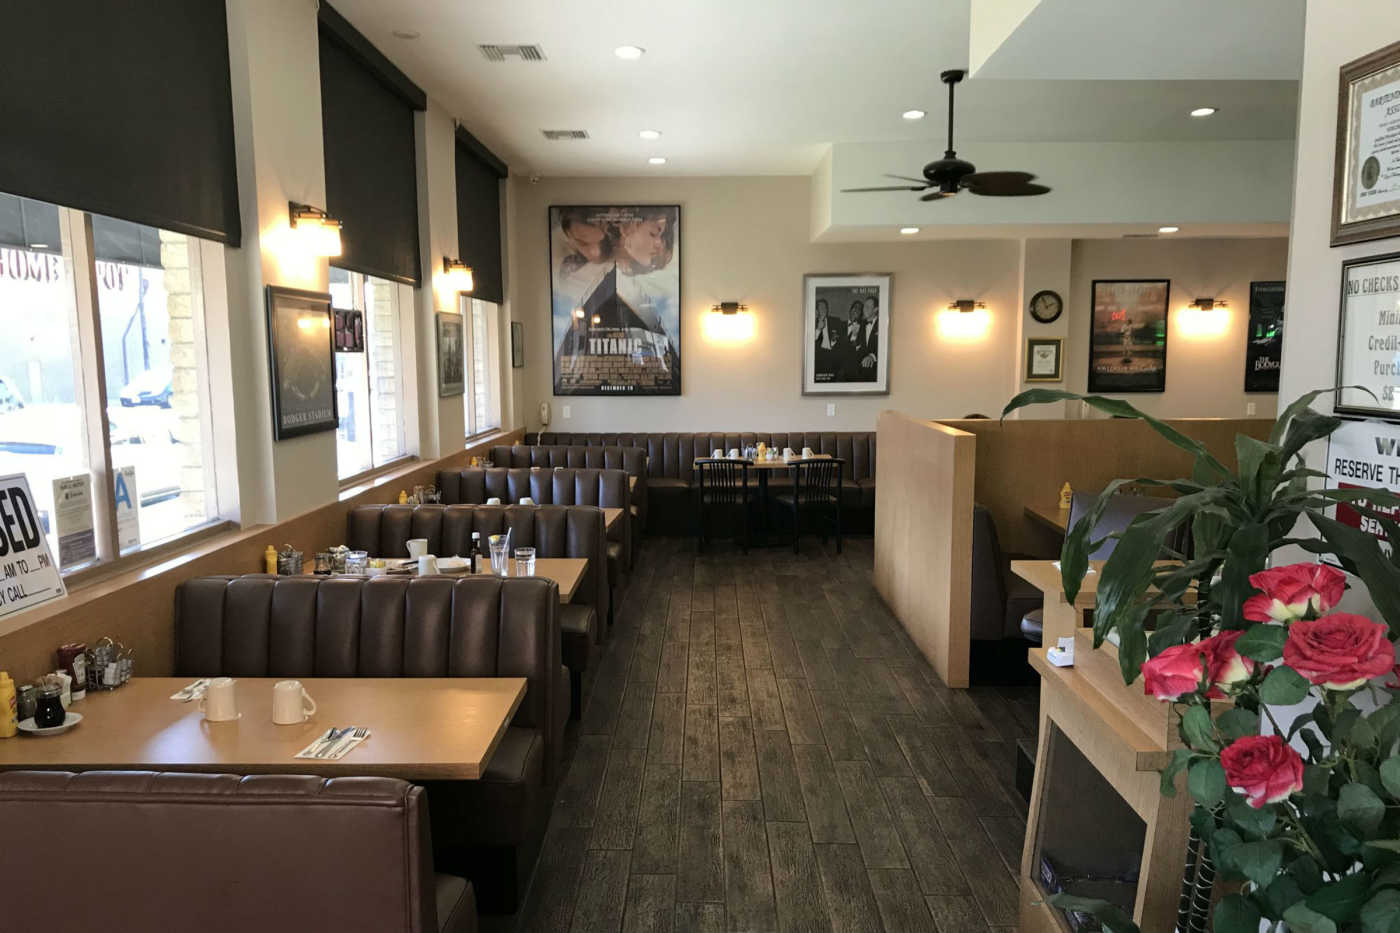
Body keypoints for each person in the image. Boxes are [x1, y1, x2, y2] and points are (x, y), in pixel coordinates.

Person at [813, 298, 846, 381]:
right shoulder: (812, 322)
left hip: (834, 356)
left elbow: (842, 338)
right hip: (820, 358)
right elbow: (811, 342)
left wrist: (835, 340)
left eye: (825, 307)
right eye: (821, 307)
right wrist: (818, 329)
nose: (824, 309)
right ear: (816, 310)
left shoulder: (836, 321)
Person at [847, 295, 879, 379]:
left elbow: (885, 346)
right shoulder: (859, 324)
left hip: (877, 371)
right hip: (860, 372)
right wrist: (854, 336)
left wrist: (872, 356)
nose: (864, 309)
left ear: (875, 309)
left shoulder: (882, 324)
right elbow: (851, 347)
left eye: (868, 307)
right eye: (864, 306)